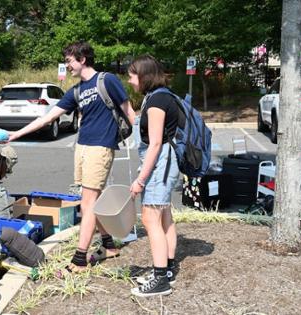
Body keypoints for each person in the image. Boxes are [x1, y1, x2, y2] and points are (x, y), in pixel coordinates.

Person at [8, 41, 135, 272]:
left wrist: (145, 141)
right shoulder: (76, 90)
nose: (67, 66)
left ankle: (79, 259)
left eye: (69, 61)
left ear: (82, 59)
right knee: (91, 202)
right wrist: (16, 133)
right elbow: (47, 118)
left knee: (87, 204)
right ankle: (108, 245)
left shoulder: (107, 81)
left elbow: (128, 111)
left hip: (100, 148)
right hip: (82, 148)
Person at [127, 55, 180, 297]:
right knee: (164, 216)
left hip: (161, 165)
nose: (129, 80)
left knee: (150, 218)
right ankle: (166, 269)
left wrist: (140, 180)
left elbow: (156, 143)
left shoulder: (157, 100)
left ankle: (160, 280)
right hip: (165, 163)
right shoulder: (161, 95)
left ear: (144, 76)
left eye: (132, 75)